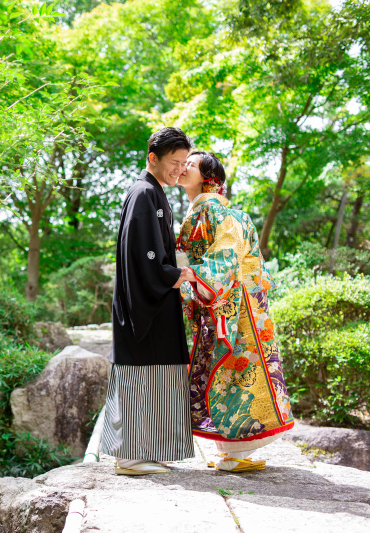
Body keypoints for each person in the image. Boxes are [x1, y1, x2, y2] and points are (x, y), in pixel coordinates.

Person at [176, 151, 295, 472]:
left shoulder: (210, 210)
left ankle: (231, 453)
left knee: (234, 371)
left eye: (190, 164)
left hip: (228, 303)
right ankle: (231, 452)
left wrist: (186, 275)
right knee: (238, 371)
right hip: (240, 302)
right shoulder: (217, 210)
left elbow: (223, 258)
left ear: (207, 176)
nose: (183, 167)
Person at [100, 127, 197, 475]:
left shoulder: (153, 193)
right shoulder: (144, 193)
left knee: (157, 375)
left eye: (185, 163)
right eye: (175, 162)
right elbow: (144, 255)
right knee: (143, 374)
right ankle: (128, 456)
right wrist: (171, 275)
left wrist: (171, 273)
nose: (180, 170)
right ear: (152, 158)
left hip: (154, 301)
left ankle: (146, 451)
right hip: (144, 302)